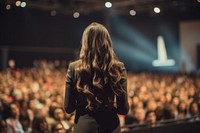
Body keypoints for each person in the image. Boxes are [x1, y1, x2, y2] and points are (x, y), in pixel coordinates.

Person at [64, 22, 129, 133]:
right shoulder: (118, 67)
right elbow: (123, 109)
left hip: (84, 127)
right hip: (110, 127)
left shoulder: (73, 68)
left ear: (85, 43)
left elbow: (68, 108)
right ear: (107, 42)